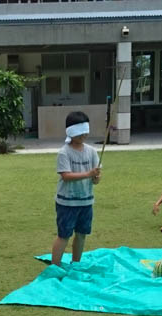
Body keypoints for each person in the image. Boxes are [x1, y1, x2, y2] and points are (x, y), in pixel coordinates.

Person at [51, 111, 101, 266]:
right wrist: (88, 174)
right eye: (79, 132)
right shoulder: (64, 153)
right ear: (70, 132)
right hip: (67, 202)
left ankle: (76, 264)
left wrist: (96, 177)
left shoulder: (92, 151)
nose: (83, 135)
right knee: (64, 235)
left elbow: (96, 179)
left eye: (85, 132)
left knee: (81, 235)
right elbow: (65, 175)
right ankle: (55, 266)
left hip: (86, 201)